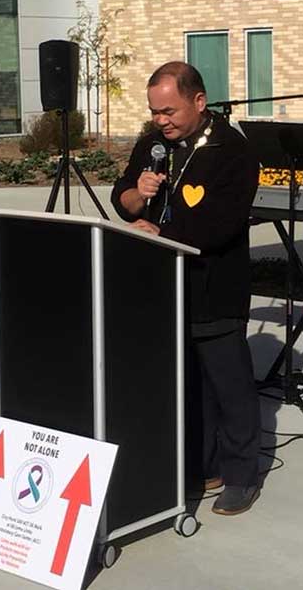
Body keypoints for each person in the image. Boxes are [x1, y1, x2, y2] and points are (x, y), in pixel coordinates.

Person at [111, 61, 261, 516]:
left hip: (214, 288)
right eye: (155, 112)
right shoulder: (152, 146)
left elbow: (223, 224)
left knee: (229, 387)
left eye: (169, 111)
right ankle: (202, 466)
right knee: (187, 387)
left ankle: (240, 476)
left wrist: (163, 235)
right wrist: (137, 195)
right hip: (161, 290)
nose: (162, 121)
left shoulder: (233, 150)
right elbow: (124, 200)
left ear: (199, 101)